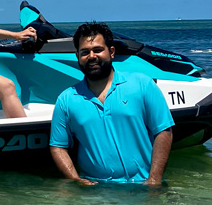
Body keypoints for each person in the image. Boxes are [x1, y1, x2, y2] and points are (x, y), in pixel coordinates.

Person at [49, 22, 174, 186]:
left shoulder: (142, 84)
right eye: (85, 52)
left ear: (112, 52)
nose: (92, 56)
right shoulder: (66, 99)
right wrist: (75, 180)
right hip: (97, 191)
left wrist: (154, 180)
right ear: (77, 56)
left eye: (98, 50)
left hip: (145, 186)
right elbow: (58, 146)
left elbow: (164, 130)